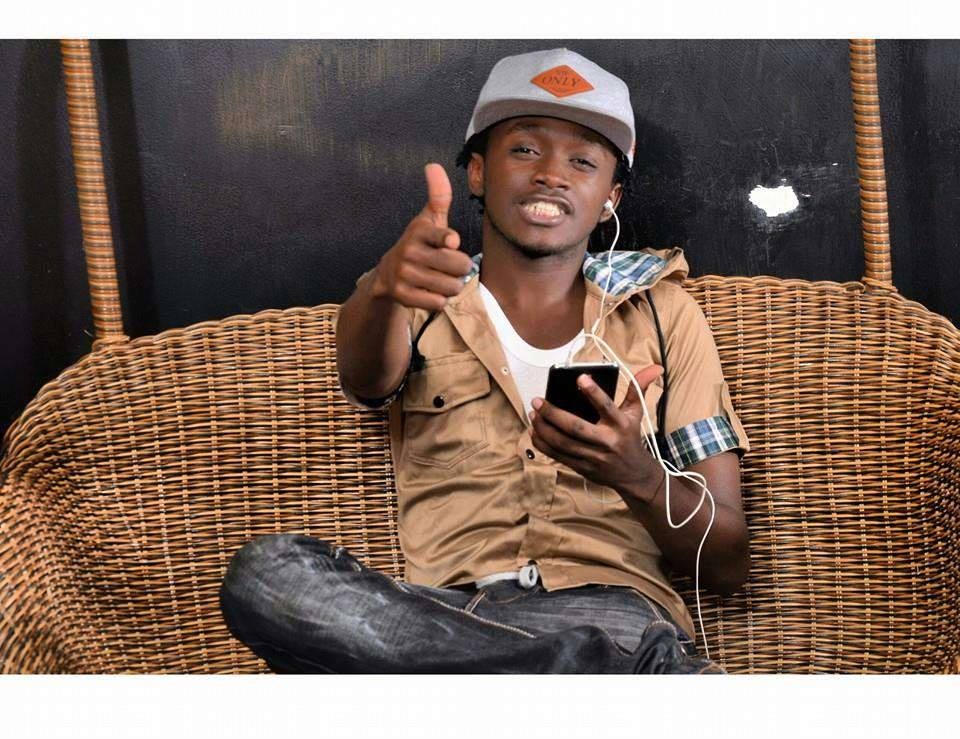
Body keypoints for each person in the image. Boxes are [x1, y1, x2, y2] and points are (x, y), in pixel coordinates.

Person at [219, 47, 751, 673]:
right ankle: (574, 675)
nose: (551, 174)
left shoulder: (662, 314)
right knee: (268, 574)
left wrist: (637, 474)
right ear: (477, 173)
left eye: (582, 161)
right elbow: (364, 380)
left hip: (610, 615)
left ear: (609, 198)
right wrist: (382, 287)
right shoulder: (415, 295)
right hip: (443, 617)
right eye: (524, 149)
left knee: (601, 647)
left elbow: (725, 564)